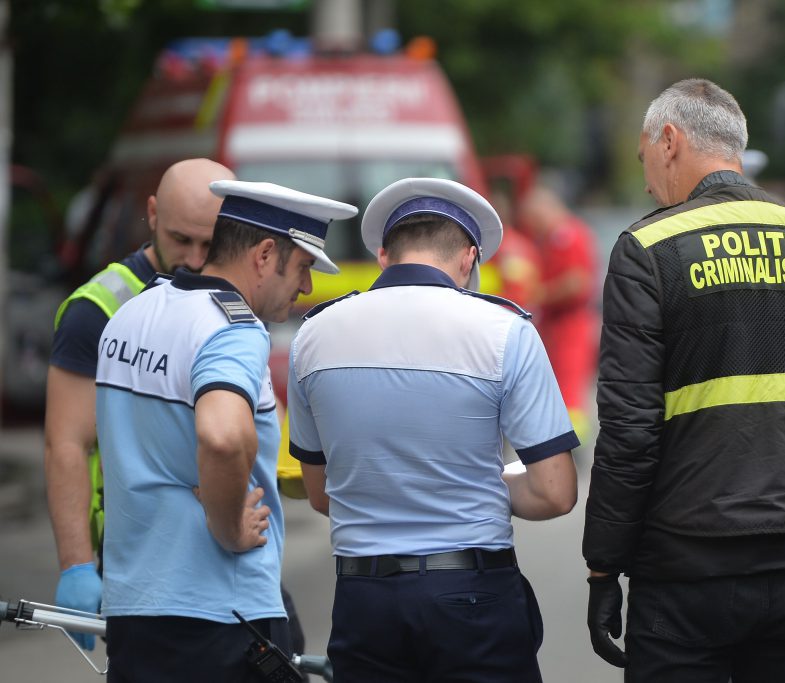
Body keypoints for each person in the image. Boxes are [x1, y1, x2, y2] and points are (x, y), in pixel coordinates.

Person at [582, 78, 785, 682]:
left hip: (683, 577)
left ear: (670, 141)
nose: (647, 184)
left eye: (644, 160)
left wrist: (603, 567)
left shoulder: (647, 251)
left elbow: (630, 432)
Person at [288, 177, 579, 682]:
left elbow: (321, 493)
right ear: (469, 258)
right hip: (471, 593)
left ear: (384, 255)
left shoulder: (312, 335)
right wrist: (482, 483)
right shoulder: (504, 331)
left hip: (364, 598)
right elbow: (555, 493)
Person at [93, 179, 356, 681]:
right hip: (221, 615)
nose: (306, 287)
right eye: (303, 267)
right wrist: (229, 526)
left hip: (132, 608)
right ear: (264, 255)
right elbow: (223, 436)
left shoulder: (135, 312)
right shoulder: (233, 329)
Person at [44, 158, 234, 650]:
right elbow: (67, 442)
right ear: (152, 214)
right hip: (139, 554)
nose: (195, 260)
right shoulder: (99, 309)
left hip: (224, 544)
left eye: (211, 243)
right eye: (181, 239)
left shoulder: (232, 297)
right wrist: (76, 566)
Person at [518, 185, 599, 442]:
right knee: (558, 389)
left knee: (569, 390)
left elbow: (577, 282)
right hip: (556, 325)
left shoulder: (568, 235)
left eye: (534, 219)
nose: (532, 226)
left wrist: (540, 294)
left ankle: (572, 446)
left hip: (570, 325)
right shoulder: (554, 238)